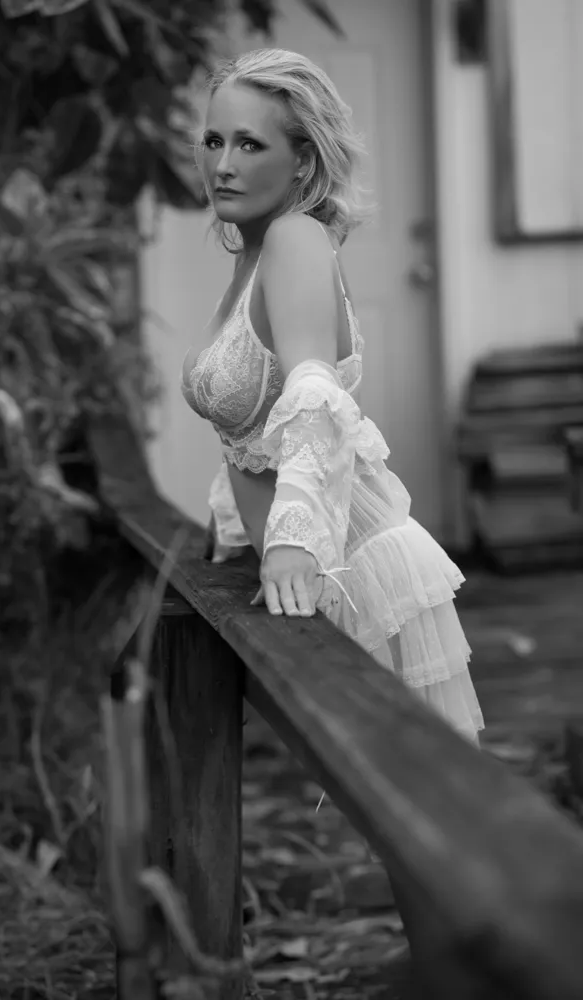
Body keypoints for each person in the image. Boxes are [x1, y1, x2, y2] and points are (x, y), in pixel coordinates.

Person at [181, 48, 483, 743]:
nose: (222, 163)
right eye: (213, 140)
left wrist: (289, 544)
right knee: (395, 817)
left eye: (249, 144)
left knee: (423, 812)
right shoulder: (255, 255)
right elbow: (251, 436)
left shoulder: (294, 238)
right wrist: (235, 535)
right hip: (313, 572)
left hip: (355, 565)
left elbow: (312, 391)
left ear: (302, 161)